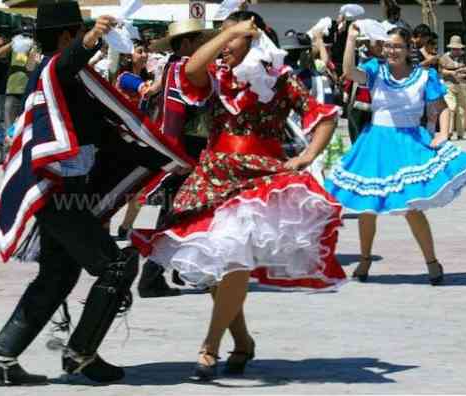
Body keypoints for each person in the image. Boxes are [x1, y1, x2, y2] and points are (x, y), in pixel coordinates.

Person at [136, 11, 346, 381]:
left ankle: (210, 347)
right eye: (220, 38)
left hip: (261, 179)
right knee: (217, 265)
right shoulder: (218, 75)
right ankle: (244, 341)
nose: (221, 47)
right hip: (214, 176)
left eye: (230, 39)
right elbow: (189, 72)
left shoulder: (281, 79)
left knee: (233, 260)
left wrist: (308, 155)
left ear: (253, 39)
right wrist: (228, 32)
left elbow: (324, 116)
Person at [0, 1, 191, 386]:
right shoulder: (56, 70)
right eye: (78, 33)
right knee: (116, 265)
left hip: (64, 191)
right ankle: (81, 354)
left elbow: (107, 136)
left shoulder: (70, 79)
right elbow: (66, 64)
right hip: (58, 192)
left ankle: (1, 357)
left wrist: (166, 159)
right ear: (68, 37)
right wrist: (93, 39)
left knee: (58, 276)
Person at [326, 26, 466, 285]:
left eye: (397, 46)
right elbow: (350, 72)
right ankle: (364, 261)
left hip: (409, 142)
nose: (391, 51)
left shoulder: (424, 75)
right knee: (367, 206)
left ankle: (432, 261)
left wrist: (443, 132)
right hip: (375, 143)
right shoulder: (376, 69)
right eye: (387, 46)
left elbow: (441, 108)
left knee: (412, 207)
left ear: (409, 48)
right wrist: (350, 40)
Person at [132, 19, 217, 298]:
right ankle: (150, 275)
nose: (203, 46)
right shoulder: (185, 68)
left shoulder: (171, 66)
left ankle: (171, 271)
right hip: (184, 150)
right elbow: (200, 104)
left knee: (172, 213)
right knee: (177, 214)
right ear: (185, 44)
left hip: (174, 149)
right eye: (198, 41)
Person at [439, 35, 466, 140]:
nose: (456, 50)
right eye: (454, 49)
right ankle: (449, 132)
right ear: (450, 48)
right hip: (449, 84)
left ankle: (460, 133)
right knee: (451, 107)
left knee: (462, 110)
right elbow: (441, 70)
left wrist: (460, 70)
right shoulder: (444, 57)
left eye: (458, 48)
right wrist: (451, 72)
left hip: (462, 85)